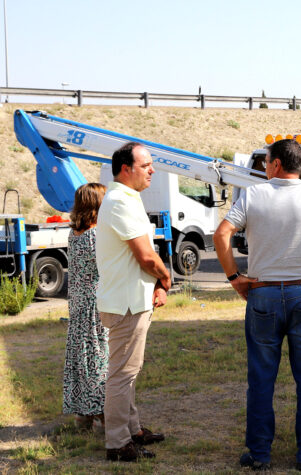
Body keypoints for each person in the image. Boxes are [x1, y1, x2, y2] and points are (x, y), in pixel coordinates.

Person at [213, 139, 301, 471]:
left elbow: (222, 235)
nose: (264, 167)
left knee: (261, 378)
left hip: (262, 293)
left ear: (276, 164)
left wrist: (235, 277)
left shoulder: (253, 194)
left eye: (265, 162)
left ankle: (260, 453)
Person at [96, 142, 171, 462]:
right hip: (126, 303)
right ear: (126, 169)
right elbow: (145, 255)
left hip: (128, 299)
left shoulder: (124, 198)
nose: (152, 170)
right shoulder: (120, 201)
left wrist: (155, 283)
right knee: (122, 374)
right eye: (146, 165)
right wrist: (166, 277)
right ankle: (117, 442)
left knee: (128, 370)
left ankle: (132, 429)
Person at [63, 183, 108, 431]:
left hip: (78, 304)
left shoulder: (74, 233)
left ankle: (83, 414)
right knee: (99, 358)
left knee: (82, 358)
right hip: (95, 304)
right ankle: (102, 411)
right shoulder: (95, 235)